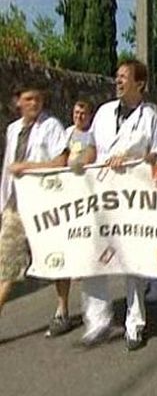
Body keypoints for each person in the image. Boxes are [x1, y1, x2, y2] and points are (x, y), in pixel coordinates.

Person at [77, 59, 157, 351]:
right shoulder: (103, 113)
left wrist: (135, 160)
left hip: (133, 199)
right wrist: (81, 161)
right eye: (116, 76)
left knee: (133, 261)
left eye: (124, 77)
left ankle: (135, 323)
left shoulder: (150, 117)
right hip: (101, 195)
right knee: (94, 257)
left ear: (139, 83)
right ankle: (97, 321)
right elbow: (92, 147)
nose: (117, 81)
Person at [0, 84, 68, 318]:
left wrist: (27, 167)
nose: (34, 104)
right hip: (15, 206)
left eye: (37, 99)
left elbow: (61, 162)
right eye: (28, 99)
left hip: (44, 206)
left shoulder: (51, 126)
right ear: (18, 102)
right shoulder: (12, 130)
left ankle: (62, 308)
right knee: (6, 264)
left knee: (55, 257)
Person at [45, 99, 94, 338]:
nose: (79, 115)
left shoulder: (94, 134)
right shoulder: (65, 135)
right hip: (66, 200)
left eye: (83, 112)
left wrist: (81, 163)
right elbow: (59, 160)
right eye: (75, 111)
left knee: (88, 255)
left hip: (89, 200)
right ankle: (62, 308)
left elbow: (93, 158)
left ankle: (94, 307)